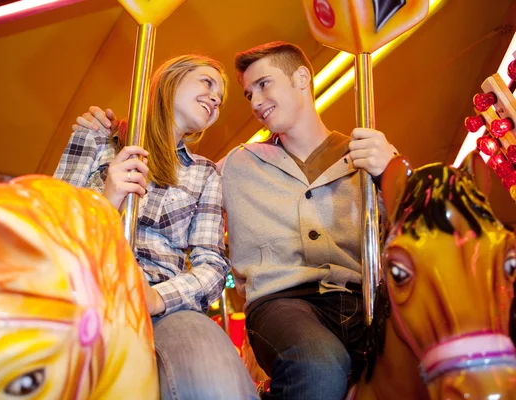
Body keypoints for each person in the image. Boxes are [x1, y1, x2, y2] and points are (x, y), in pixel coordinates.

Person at [74, 41, 397, 400]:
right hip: (281, 301)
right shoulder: (235, 163)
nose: (255, 102)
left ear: (302, 77)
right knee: (317, 364)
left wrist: (396, 172)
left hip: (358, 297)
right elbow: (49, 218)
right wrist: (108, 197)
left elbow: (414, 233)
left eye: (263, 85)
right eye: (247, 94)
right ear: (170, 80)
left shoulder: (364, 156)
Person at [54, 54, 258, 400]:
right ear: (170, 81)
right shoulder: (97, 140)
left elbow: (211, 263)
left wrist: (156, 298)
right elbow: (51, 225)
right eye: (206, 83)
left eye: (220, 99)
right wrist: (108, 200)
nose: (215, 99)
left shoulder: (204, 174)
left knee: (214, 374)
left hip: (162, 304)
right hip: (84, 290)